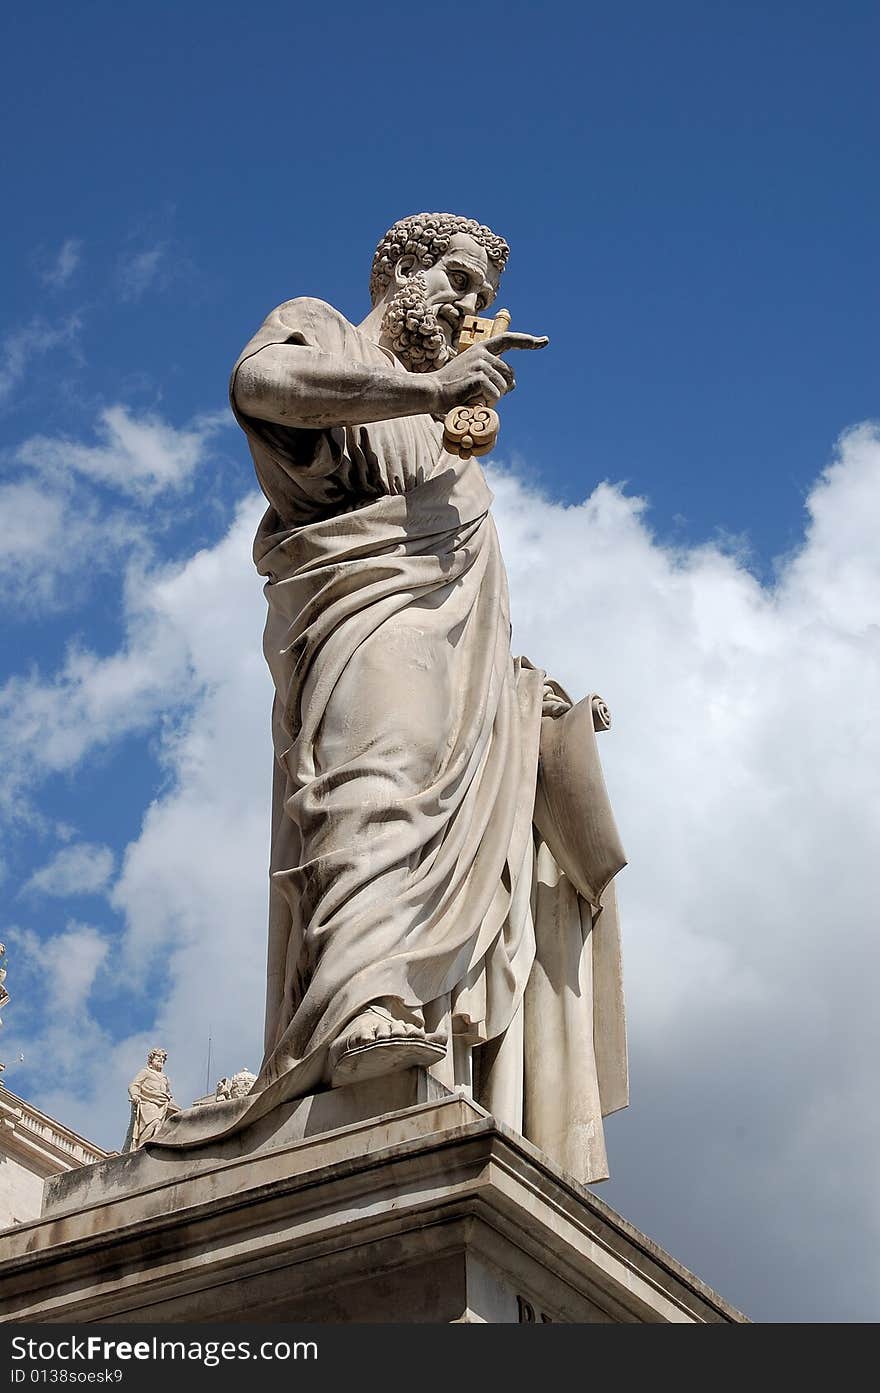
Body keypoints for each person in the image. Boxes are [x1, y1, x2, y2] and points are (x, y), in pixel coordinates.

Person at [229, 213, 628, 1183]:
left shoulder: (449, 452)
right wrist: (424, 387)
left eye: (478, 299)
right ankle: (356, 1010)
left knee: (427, 818)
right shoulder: (320, 330)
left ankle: (398, 1015)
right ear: (400, 268)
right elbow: (256, 386)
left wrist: (532, 707)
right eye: (453, 280)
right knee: (373, 786)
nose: (465, 308)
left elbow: (478, 624)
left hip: (459, 679)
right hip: (362, 621)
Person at [124, 1048, 180, 1150]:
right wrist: (135, 1095)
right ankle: (142, 1146)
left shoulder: (165, 1078)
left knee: (161, 1126)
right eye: (158, 1056)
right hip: (148, 1101)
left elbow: (168, 1093)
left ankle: (154, 1146)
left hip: (163, 1104)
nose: (161, 1059)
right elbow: (134, 1085)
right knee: (153, 1122)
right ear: (151, 1059)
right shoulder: (145, 1072)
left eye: (163, 1058)